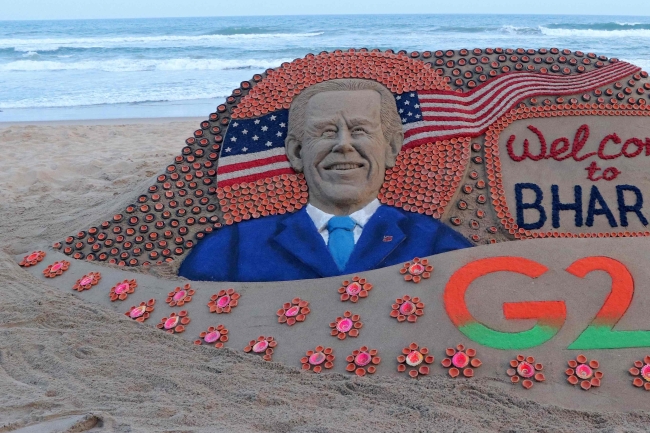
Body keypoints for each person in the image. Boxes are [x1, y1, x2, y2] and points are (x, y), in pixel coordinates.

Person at [179, 78, 472, 282]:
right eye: (326, 132)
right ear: (296, 152)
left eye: (360, 130)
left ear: (392, 149)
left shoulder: (437, 244)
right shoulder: (231, 248)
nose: (343, 145)